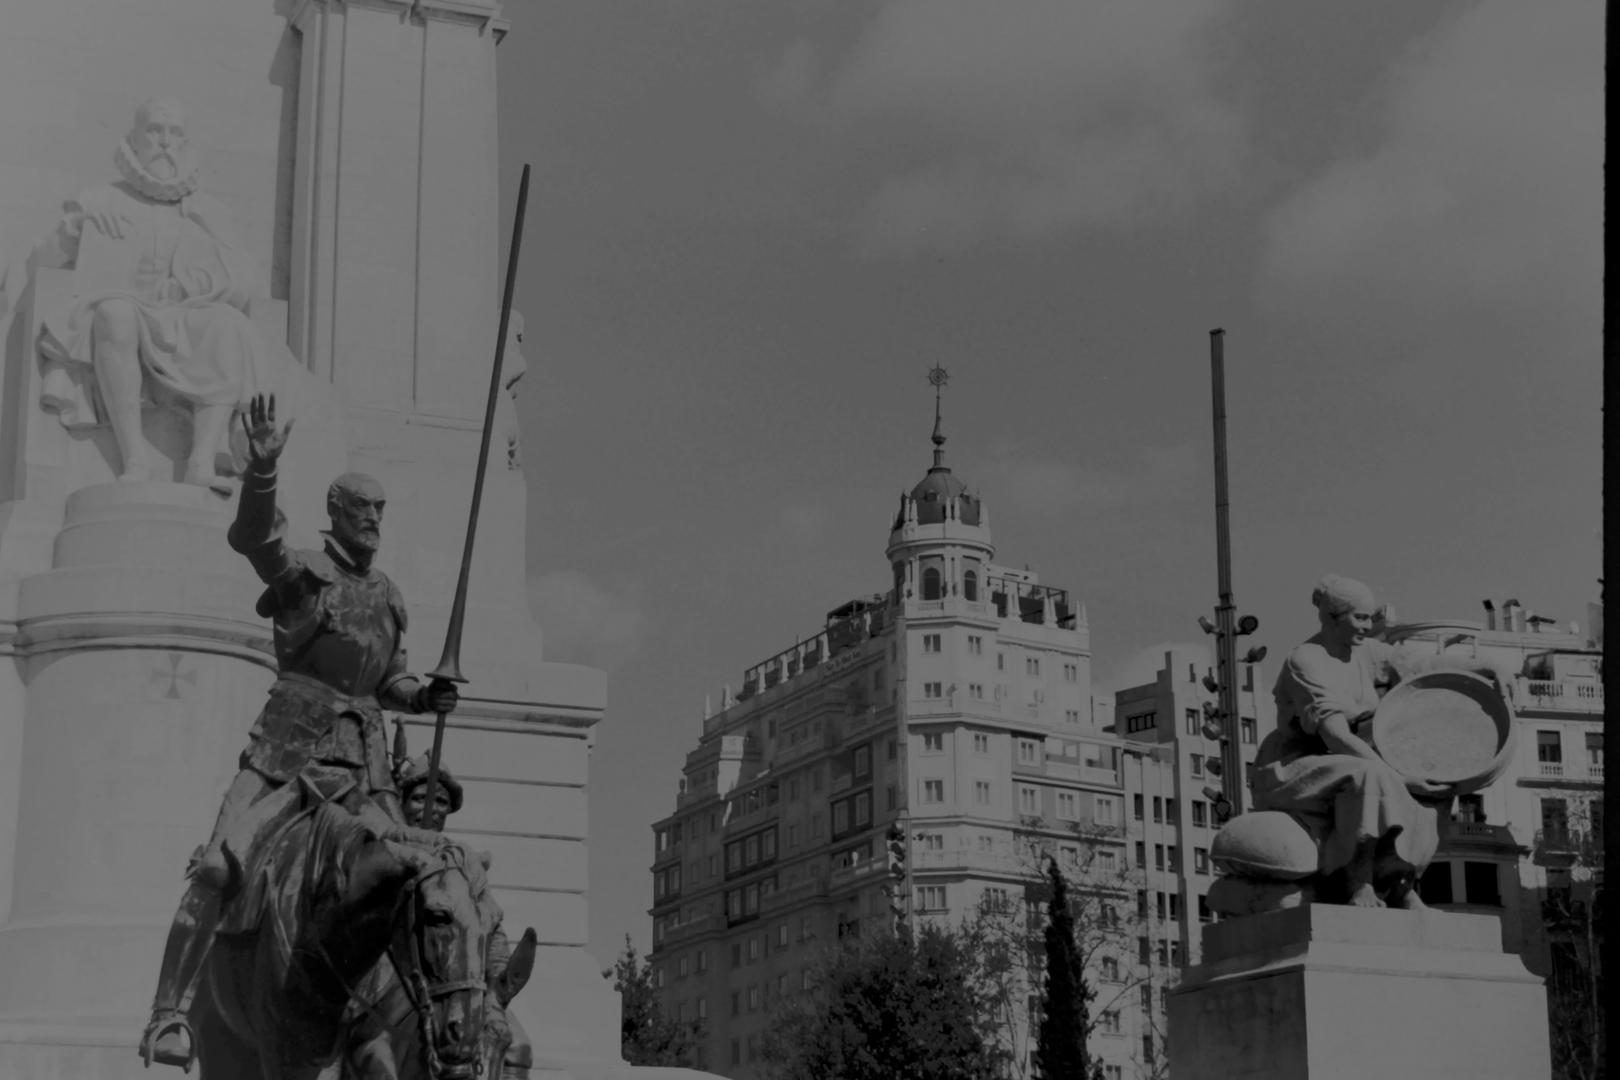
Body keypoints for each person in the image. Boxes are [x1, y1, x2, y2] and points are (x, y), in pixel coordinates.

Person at [140, 394, 461, 1068]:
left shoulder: (390, 596)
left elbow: (388, 680)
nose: (374, 518)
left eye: (380, 510)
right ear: (336, 513)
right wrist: (261, 470)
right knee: (220, 865)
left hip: (366, 766)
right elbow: (256, 541)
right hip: (289, 750)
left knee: (424, 876)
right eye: (362, 508)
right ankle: (170, 1012)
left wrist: (423, 694)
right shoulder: (308, 577)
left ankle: (443, 1021)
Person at [36, 98, 287, 492]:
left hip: (180, 312)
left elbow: (246, 282)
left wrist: (199, 282)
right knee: (114, 314)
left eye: (175, 133)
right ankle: (134, 458)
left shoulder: (207, 210)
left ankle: (201, 463)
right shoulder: (101, 198)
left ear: (186, 144)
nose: (165, 142)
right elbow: (44, 262)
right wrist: (76, 230)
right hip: (120, 307)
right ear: (134, 141)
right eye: (155, 131)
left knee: (229, 325)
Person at [1251, 575, 1514, 908]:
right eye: (1359, 617)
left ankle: (1398, 882)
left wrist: (1486, 668)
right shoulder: (1306, 660)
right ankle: (1357, 882)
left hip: (1347, 753)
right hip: (1293, 766)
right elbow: (1335, 735)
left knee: (1435, 781)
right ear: (1332, 617)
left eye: (1369, 616)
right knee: (1371, 776)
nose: (1367, 624)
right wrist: (1400, 777)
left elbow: (1422, 668)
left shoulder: (1366, 651)